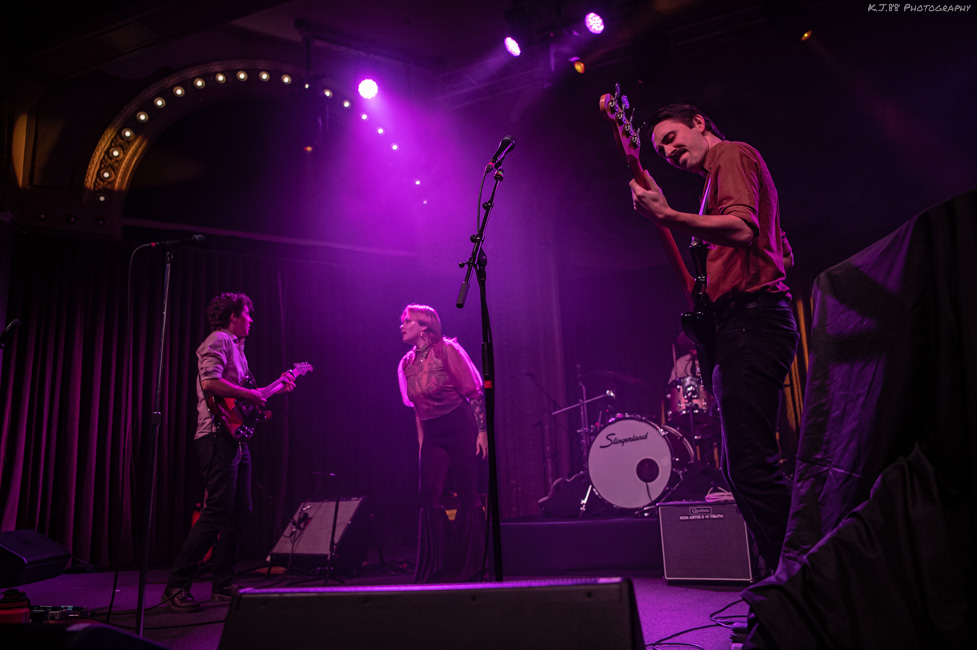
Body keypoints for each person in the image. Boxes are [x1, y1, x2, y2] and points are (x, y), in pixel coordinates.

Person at [630, 104, 798, 574]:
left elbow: (743, 228)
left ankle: (804, 577)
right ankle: (788, 575)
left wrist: (669, 216)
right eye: (660, 148)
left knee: (751, 467)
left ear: (699, 123)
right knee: (740, 469)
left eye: (671, 137)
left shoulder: (731, 154)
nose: (668, 150)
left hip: (753, 321)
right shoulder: (714, 183)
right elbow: (782, 251)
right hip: (743, 323)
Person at [162, 292, 294, 611]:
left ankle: (222, 584)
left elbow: (244, 397)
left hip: (234, 437)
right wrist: (251, 394)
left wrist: (276, 387)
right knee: (218, 511)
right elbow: (210, 383)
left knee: (240, 511)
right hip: (215, 436)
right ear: (233, 316)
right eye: (247, 314)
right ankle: (176, 585)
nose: (252, 320)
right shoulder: (219, 339)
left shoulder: (237, 349)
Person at [397, 304, 487, 583]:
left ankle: (470, 565)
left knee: (467, 493)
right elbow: (417, 409)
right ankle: (437, 565)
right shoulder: (406, 363)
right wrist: (421, 444)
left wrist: (482, 432)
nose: (402, 326)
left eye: (407, 321)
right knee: (428, 496)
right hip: (433, 431)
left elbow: (474, 392)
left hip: (460, 425)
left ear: (424, 326)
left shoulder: (448, 350)